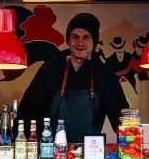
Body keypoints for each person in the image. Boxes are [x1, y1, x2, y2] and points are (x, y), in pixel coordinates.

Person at [18, 12, 129, 143]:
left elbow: (121, 117)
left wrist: (129, 146)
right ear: (68, 40)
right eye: (75, 37)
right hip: (49, 154)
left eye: (86, 37)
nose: (80, 42)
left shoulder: (104, 75)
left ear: (94, 41)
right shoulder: (50, 70)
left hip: (90, 153)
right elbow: (28, 112)